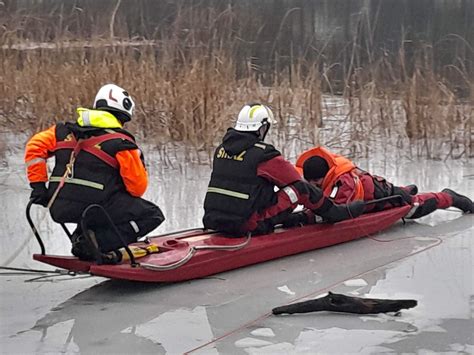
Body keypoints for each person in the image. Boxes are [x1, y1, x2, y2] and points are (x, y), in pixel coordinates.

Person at [25, 83, 165, 260]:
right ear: (123, 114)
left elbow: (34, 147)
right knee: (152, 215)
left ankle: (82, 240)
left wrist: (38, 187)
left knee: (93, 211)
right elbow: (137, 188)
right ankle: (97, 243)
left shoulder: (61, 132)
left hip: (59, 207)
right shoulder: (122, 143)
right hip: (98, 208)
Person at [202, 103, 365, 236]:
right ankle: (335, 213)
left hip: (214, 219)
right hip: (247, 224)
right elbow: (296, 182)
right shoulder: (264, 155)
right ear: (262, 128)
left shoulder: (221, 150)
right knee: (300, 189)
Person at [293, 146, 473, 222]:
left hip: (383, 196)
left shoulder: (343, 185)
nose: (313, 186)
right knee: (399, 192)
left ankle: (449, 197)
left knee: (415, 207)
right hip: (375, 188)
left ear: (325, 175)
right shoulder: (329, 179)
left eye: (315, 182)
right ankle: (405, 190)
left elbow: (335, 211)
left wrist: (305, 217)